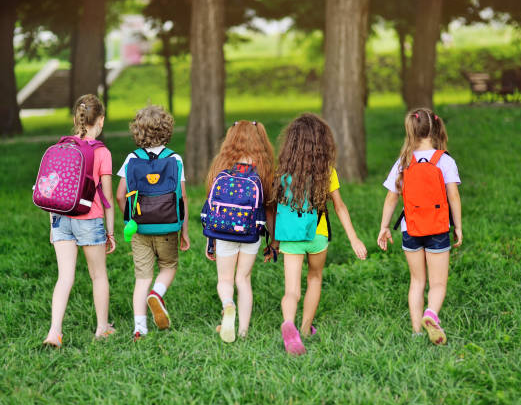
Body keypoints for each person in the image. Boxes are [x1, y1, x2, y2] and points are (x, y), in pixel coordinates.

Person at [274, 113, 367, 355]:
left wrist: (272, 240)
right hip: (318, 234)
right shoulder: (327, 172)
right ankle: (304, 329)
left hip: (291, 236)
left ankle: (288, 323)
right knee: (314, 278)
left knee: (291, 291)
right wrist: (354, 238)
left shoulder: (282, 172)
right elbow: (340, 206)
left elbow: (275, 206)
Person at [377, 108, 462, 345]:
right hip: (437, 228)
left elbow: (391, 197)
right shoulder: (444, 160)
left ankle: (416, 332)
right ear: (434, 129)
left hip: (410, 228)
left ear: (410, 131)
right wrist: (458, 227)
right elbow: (453, 196)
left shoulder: (404, 161)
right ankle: (431, 314)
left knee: (417, 281)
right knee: (438, 283)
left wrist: (384, 226)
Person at [43, 94, 116, 347]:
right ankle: (102, 328)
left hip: (60, 216)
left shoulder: (62, 146)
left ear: (76, 119)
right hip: (89, 218)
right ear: (101, 121)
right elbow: (106, 196)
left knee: (65, 277)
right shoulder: (102, 152)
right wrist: (111, 232)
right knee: (98, 276)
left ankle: (54, 332)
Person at [115, 105, 190, 341]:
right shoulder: (175, 159)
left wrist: (130, 218)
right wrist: (184, 231)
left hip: (140, 228)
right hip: (169, 226)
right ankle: (157, 294)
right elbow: (182, 197)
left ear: (137, 131)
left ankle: (140, 328)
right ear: (167, 129)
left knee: (142, 278)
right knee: (168, 266)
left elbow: (120, 195)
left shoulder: (131, 159)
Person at [204, 120, 277, 342]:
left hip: (224, 232)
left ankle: (228, 305)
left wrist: (211, 241)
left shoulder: (221, 165)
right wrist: (273, 241)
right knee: (243, 279)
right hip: (250, 232)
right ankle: (243, 331)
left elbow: (212, 205)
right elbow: (270, 209)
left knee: (225, 279)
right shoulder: (264, 167)